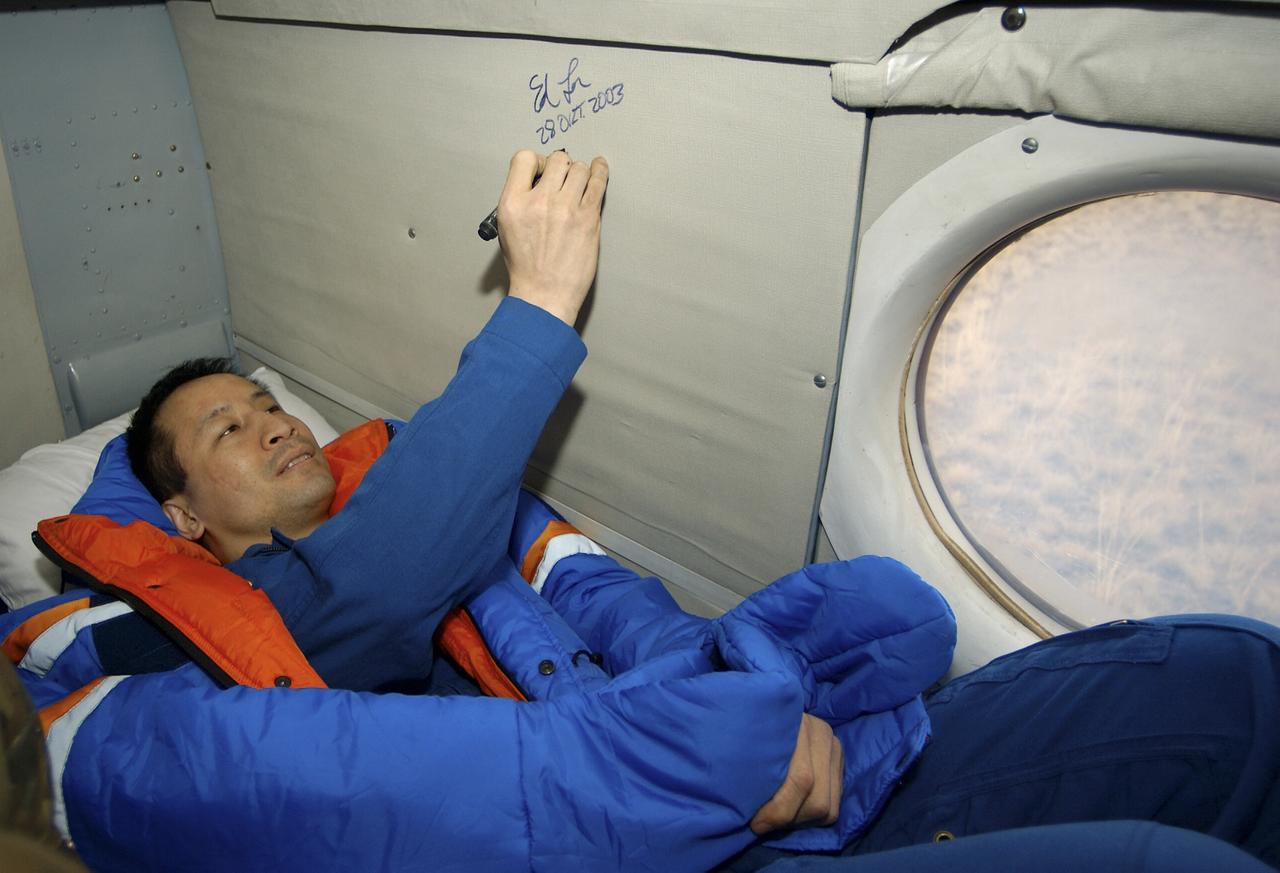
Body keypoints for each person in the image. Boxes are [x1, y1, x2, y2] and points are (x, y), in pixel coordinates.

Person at [3, 150, 1277, 873]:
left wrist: (745, 670)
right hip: (652, 823)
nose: (276, 421)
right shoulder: (143, 647)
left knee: (1227, 683)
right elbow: (369, 718)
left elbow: (595, 598)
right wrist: (541, 302)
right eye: (228, 427)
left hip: (733, 760)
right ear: (176, 517)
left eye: (271, 402)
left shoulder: (441, 501)